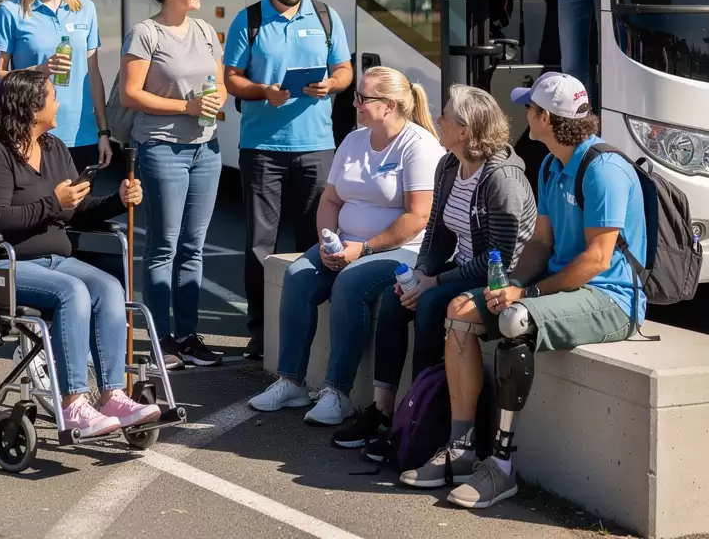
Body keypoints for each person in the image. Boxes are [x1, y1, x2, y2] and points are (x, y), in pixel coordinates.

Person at [402, 71, 646, 510]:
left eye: (530, 108)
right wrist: (510, 285)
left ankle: (502, 467)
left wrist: (526, 297)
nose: (524, 113)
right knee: (461, 310)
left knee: (516, 320)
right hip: (562, 289)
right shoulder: (553, 163)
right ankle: (462, 448)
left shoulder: (603, 169)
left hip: (611, 299)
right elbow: (539, 244)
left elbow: (597, 260)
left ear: (546, 119)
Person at [333, 84, 537, 451]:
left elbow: (499, 260)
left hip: (494, 282)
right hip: (458, 269)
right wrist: (422, 272)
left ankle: (419, 416)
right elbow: (438, 233)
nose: (438, 120)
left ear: (465, 130)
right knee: (396, 297)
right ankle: (383, 412)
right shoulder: (449, 165)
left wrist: (435, 282)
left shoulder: (501, 180)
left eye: (445, 116)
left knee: (430, 304)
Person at [247, 67, 443, 426]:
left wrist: (363, 249)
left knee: (351, 284)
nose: (355, 103)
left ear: (389, 105)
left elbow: (417, 217)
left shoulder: (419, 146)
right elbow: (330, 200)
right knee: (299, 275)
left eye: (362, 98)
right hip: (348, 245)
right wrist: (327, 241)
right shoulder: (355, 139)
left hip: (402, 251)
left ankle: (338, 393)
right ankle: (291, 381)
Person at [0, 70, 160, 438]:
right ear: (30, 107)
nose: (59, 103)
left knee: (107, 287)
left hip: (56, 259)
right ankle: (72, 402)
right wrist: (51, 203)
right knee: (72, 292)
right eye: (53, 97)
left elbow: (77, 209)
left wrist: (117, 201)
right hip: (6, 262)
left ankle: (113, 395)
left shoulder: (55, 148)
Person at [223, 0, 353, 361]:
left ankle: (311, 332)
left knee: (314, 241)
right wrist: (263, 91)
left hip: (318, 148)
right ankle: (262, 334)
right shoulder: (251, 20)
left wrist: (332, 85)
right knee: (261, 246)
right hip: (263, 149)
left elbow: (345, 69)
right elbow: (231, 79)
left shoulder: (326, 17)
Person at [120, 0, 226, 370]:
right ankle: (161, 340)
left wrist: (214, 101)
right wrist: (187, 106)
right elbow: (131, 94)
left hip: (206, 148)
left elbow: (217, 83)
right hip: (162, 148)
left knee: (193, 248)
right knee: (163, 246)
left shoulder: (202, 30)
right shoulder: (145, 34)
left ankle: (187, 335)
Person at [0, 0, 112, 173]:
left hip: (83, 134)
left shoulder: (86, 9)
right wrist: (40, 70)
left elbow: (94, 75)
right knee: (41, 210)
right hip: (32, 132)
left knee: (81, 209)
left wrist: (103, 131)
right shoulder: (11, 12)